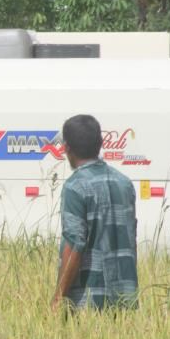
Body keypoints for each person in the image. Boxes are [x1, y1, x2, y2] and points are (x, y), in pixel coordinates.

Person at [51, 115, 139, 311]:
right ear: (100, 144)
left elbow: (74, 245)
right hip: (125, 300)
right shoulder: (125, 184)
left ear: (67, 148)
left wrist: (58, 298)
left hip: (88, 303)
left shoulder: (75, 187)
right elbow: (131, 241)